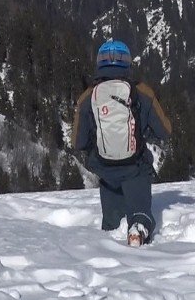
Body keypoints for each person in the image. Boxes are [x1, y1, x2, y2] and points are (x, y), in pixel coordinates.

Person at [72, 40, 172, 246]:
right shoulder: (142, 93)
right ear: (127, 63)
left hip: (105, 168)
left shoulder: (88, 97)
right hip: (135, 167)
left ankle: (110, 238)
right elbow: (165, 130)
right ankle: (138, 228)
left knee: (112, 222)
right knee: (140, 212)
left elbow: (78, 142)